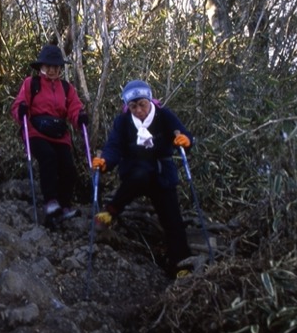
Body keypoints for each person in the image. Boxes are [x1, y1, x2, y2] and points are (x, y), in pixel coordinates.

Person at [91, 80, 193, 278]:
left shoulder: (164, 116)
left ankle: (182, 266)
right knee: (141, 173)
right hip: (135, 172)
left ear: (150, 101)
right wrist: (104, 161)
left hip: (162, 173)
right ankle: (111, 211)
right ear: (127, 106)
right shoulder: (122, 122)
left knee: (173, 220)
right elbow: (114, 147)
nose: (138, 110)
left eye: (142, 104)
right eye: (133, 106)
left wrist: (185, 141)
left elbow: (184, 134)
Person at [10, 42, 87, 224]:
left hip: (60, 135)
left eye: (55, 66)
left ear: (60, 68)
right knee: (48, 157)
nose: (52, 70)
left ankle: (64, 205)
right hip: (36, 132)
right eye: (48, 66)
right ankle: (50, 201)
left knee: (68, 167)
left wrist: (80, 118)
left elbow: (74, 108)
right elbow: (18, 105)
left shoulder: (67, 88)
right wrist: (20, 112)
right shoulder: (31, 84)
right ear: (41, 66)